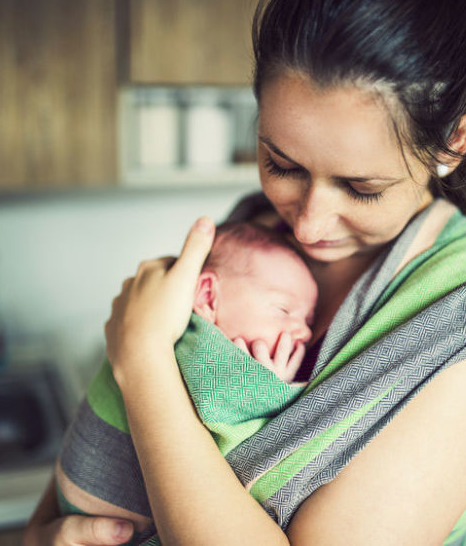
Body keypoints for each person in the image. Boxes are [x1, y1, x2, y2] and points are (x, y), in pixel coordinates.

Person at [24, 0, 466, 544]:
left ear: (454, 141)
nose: (307, 226)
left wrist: (140, 361)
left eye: (360, 188)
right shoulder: (252, 224)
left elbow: (144, 379)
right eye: (282, 164)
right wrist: (41, 537)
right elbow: (91, 461)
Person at [54, 222, 317, 542]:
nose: (303, 331)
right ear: (208, 296)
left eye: (308, 320)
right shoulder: (204, 345)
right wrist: (269, 387)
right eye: (284, 309)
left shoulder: (161, 323)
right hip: (111, 512)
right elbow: (229, 423)